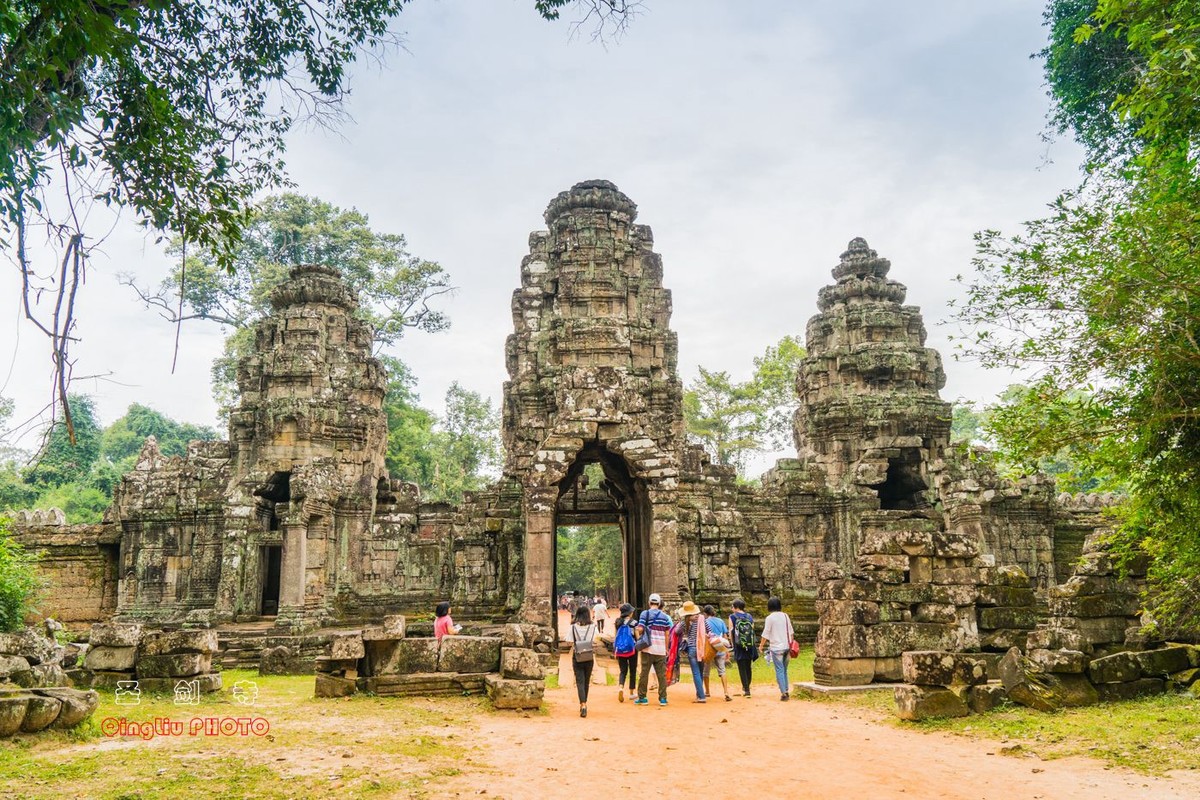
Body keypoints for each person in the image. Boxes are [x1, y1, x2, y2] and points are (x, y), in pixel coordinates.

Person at [634, 592, 673, 706]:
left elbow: (640, 629)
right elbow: (667, 634)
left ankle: (642, 697)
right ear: (659, 603)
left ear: (649, 603)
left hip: (648, 649)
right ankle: (663, 698)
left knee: (644, 673)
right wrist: (666, 649)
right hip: (660, 649)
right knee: (661, 675)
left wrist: (638, 637)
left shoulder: (645, 614)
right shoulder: (665, 617)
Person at [759, 596, 795, 701]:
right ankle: (786, 690)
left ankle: (784, 693)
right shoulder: (785, 616)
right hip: (787, 647)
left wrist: (761, 646)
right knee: (784, 670)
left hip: (776, 648)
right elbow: (791, 632)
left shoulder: (770, 618)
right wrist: (791, 644)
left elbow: (765, 634)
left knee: (779, 670)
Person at [678, 600, 709, 702]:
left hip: (692, 648)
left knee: (696, 673)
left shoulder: (685, 621)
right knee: (700, 672)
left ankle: (701, 696)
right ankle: (699, 694)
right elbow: (709, 631)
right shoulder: (702, 619)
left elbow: (677, 631)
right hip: (702, 648)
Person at [570, 605, 597, 717]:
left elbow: (569, 641)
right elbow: (595, 640)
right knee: (586, 681)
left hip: (577, 656)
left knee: (579, 681)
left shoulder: (573, 627)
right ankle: (584, 701)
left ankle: (583, 704)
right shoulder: (593, 627)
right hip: (589, 657)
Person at [701, 604, 732, 702]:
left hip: (709, 649)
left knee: (706, 671)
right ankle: (726, 692)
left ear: (705, 614)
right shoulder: (720, 621)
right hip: (719, 647)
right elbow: (725, 636)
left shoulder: (705, 622)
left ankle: (707, 691)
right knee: (722, 670)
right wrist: (726, 650)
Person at [728, 598, 758, 698]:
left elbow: (731, 632)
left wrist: (732, 644)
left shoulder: (732, 617)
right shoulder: (749, 616)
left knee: (741, 667)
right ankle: (747, 686)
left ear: (736, 607)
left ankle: (746, 689)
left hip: (739, 644)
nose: (732, 608)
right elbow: (752, 630)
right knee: (748, 666)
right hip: (749, 644)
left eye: (732, 606)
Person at [612, 603, 639, 703]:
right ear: (630, 613)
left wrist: (615, 650)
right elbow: (637, 637)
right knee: (633, 670)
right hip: (632, 649)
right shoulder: (634, 623)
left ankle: (621, 687)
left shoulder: (617, 622)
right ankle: (631, 693)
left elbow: (615, 637)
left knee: (623, 671)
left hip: (620, 649)